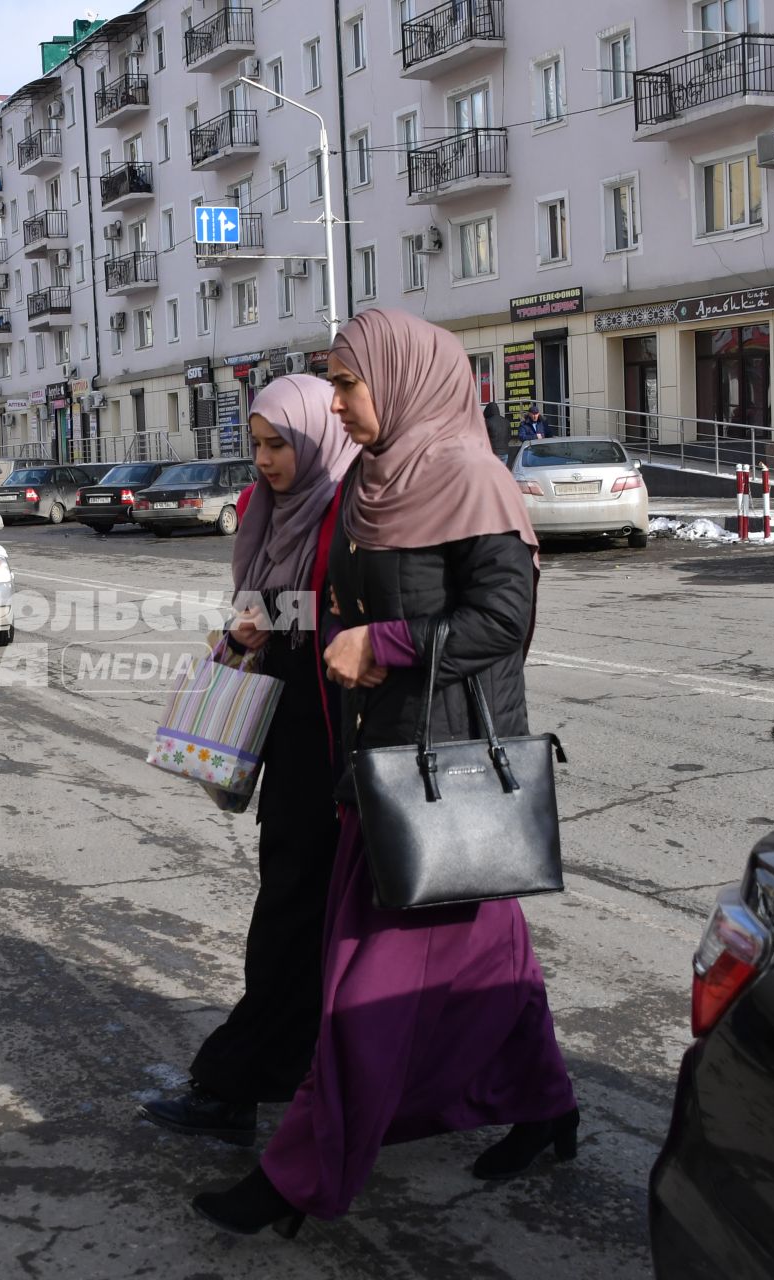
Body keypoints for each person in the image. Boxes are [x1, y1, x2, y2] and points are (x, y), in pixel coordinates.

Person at [193, 309, 577, 1237]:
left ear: (403, 380)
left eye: (348, 383)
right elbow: (340, 615)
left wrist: (389, 643)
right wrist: (271, 639)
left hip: (442, 774)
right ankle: (548, 1105)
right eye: (332, 383)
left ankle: (295, 1178)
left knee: (363, 988)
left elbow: (504, 622)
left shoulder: (473, 479)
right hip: (380, 767)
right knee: (492, 957)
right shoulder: (374, 481)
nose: (338, 400)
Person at [139, 375, 358, 1147]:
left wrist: (280, 627)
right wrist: (239, 638)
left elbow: (350, 619)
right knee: (301, 919)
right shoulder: (274, 514)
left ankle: (235, 1084)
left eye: (278, 445)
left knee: (294, 922)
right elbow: (273, 612)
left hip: (336, 750)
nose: (264, 461)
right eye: (257, 445)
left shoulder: (347, 512)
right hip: (291, 741)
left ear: (315, 440)